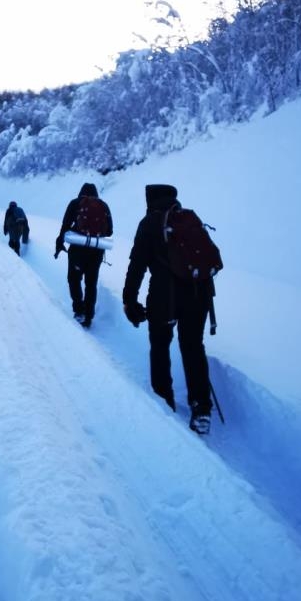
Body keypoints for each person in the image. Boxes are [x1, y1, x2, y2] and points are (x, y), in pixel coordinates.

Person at [122, 184, 214, 434]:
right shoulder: (190, 219)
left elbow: (137, 266)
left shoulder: (149, 223)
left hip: (166, 298)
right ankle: (201, 407)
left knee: (160, 345)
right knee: (193, 346)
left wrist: (129, 300)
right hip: (199, 295)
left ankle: (164, 402)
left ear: (149, 200)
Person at [55, 183, 113, 328]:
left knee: (74, 278)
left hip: (78, 249)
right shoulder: (104, 206)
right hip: (96, 250)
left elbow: (65, 225)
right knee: (91, 282)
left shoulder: (75, 203)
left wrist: (59, 243)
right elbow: (110, 231)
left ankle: (79, 310)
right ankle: (89, 315)